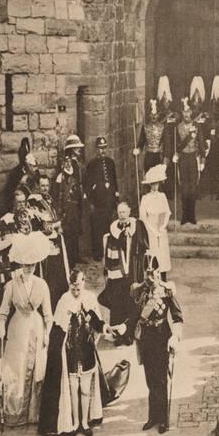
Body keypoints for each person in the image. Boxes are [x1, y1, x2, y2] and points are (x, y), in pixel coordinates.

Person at [39, 268, 116, 436]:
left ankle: (84, 422)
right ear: (69, 285)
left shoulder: (89, 298)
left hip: (86, 350)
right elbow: (58, 329)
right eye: (73, 289)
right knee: (73, 388)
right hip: (71, 352)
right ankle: (73, 423)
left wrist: (105, 328)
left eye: (78, 289)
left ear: (83, 283)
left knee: (85, 389)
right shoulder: (64, 301)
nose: (75, 292)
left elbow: (97, 320)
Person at [0, 231, 52, 426]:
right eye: (26, 265)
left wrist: (47, 333)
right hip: (17, 328)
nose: (29, 268)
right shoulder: (11, 285)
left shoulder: (42, 285)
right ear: (20, 264)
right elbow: (3, 311)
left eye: (32, 265)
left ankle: (33, 413)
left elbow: (48, 314)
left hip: (36, 327)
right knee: (17, 369)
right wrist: (1, 327)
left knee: (35, 369)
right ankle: (15, 413)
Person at [130, 253, 183, 434]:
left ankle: (163, 419)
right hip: (146, 339)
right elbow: (135, 315)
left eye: (152, 273)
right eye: (147, 273)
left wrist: (175, 337)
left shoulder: (167, 290)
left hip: (162, 338)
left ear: (159, 273)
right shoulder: (140, 291)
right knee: (150, 379)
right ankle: (152, 417)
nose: (149, 277)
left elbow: (177, 317)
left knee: (161, 379)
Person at [98, 200, 149, 344]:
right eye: (119, 212)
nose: (122, 215)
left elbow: (144, 246)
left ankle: (129, 334)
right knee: (117, 304)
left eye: (124, 212)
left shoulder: (137, 227)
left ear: (129, 212)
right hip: (118, 274)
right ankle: (117, 335)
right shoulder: (113, 230)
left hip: (133, 271)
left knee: (131, 303)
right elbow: (109, 254)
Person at [28, 175, 70, 311]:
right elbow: (38, 224)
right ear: (37, 186)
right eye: (42, 186)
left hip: (55, 239)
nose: (45, 188)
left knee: (58, 273)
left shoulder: (49, 199)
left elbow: (54, 217)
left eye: (47, 186)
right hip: (44, 241)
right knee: (48, 275)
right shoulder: (34, 202)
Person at [84, 136, 119, 261]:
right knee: (97, 227)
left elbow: (114, 181)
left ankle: (109, 250)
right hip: (98, 201)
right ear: (96, 149)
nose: (102, 151)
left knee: (109, 224)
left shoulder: (110, 162)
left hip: (109, 200)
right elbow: (88, 184)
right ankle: (98, 253)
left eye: (104, 148)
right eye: (100, 148)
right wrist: (91, 202)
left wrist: (116, 195)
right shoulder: (91, 165)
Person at [173, 97, 206, 224]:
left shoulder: (196, 127)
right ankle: (184, 215)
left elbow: (201, 144)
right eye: (184, 112)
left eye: (188, 111)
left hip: (193, 158)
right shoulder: (177, 127)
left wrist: (202, 161)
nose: (186, 114)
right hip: (183, 159)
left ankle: (191, 215)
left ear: (192, 112)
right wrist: (175, 153)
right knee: (184, 187)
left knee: (192, 188)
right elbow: (176, 144)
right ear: (182, 112)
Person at [139, 164, 171, 280]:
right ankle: (152, 278)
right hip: (150, 231)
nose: (155, 187)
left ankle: (163, 278)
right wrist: (152, 230)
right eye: (153, 184)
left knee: (163, 255)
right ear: (149, 185)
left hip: (161, 229)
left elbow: (167, 212)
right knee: (153, 254)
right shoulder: (145, 199)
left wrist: (163, 226)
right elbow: (143, 218)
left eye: (157, 184)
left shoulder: (162, 196)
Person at [54, 149, 84, 268]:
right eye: (66, 162)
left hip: (74, 208)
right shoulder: (60, 179)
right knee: (67, 235)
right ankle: (69, 260)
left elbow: (77, 193)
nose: (68, 164)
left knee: (75, 233)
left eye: (69, 162)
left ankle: (76, 256)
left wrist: (79, 206)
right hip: (65, 210)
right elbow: (57, 195)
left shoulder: (74, 177)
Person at [133, 99, 166, 173]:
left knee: (158, 179)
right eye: (152, 114)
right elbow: (141, 141)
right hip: (148, 156)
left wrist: (165, 157)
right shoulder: (145, 127)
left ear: (158, 114)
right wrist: (138, 149)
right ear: (149, 115)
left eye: (155, 114)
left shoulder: (163, 127)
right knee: (148, 177)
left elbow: (166, 143)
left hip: (159, 156)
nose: (154, 117)